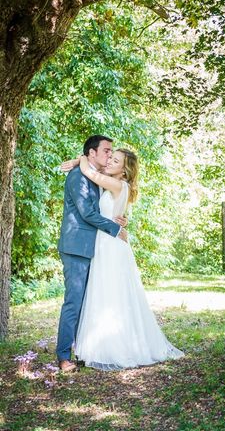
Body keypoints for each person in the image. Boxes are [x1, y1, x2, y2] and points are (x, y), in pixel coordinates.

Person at [64, 147, 184, 370]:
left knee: (111, 292)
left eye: (115, 161)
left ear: (124, 172)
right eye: (110, 157)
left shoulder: (116, 184)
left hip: (110, 244)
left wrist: (80, 158)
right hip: (108, 241)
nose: (109, 161)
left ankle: (116, 346)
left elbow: (90, 173)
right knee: (107, 292)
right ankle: (104, 343)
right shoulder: (115, 184)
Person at [56, 135, 129, 373]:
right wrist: (115, 228)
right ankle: (63, 356)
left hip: (93, 248)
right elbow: (87, 213)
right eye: (106, 151)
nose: (109, 155)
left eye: (111, 153)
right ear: (92, 153)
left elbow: (104, 206)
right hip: (76, 247)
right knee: (74, 303)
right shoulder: (78, 177)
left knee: (87, 303)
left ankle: (84, 350)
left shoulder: (97, 178)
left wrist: (119, 219)